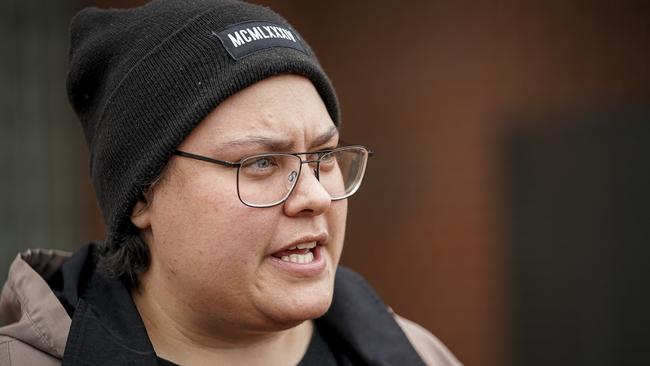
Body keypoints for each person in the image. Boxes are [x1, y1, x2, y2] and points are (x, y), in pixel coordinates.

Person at [0, 1, 462, 365]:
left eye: (323, 157)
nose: (315, 196)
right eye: (260, 162)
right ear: (143, 192)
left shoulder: (418, 354)